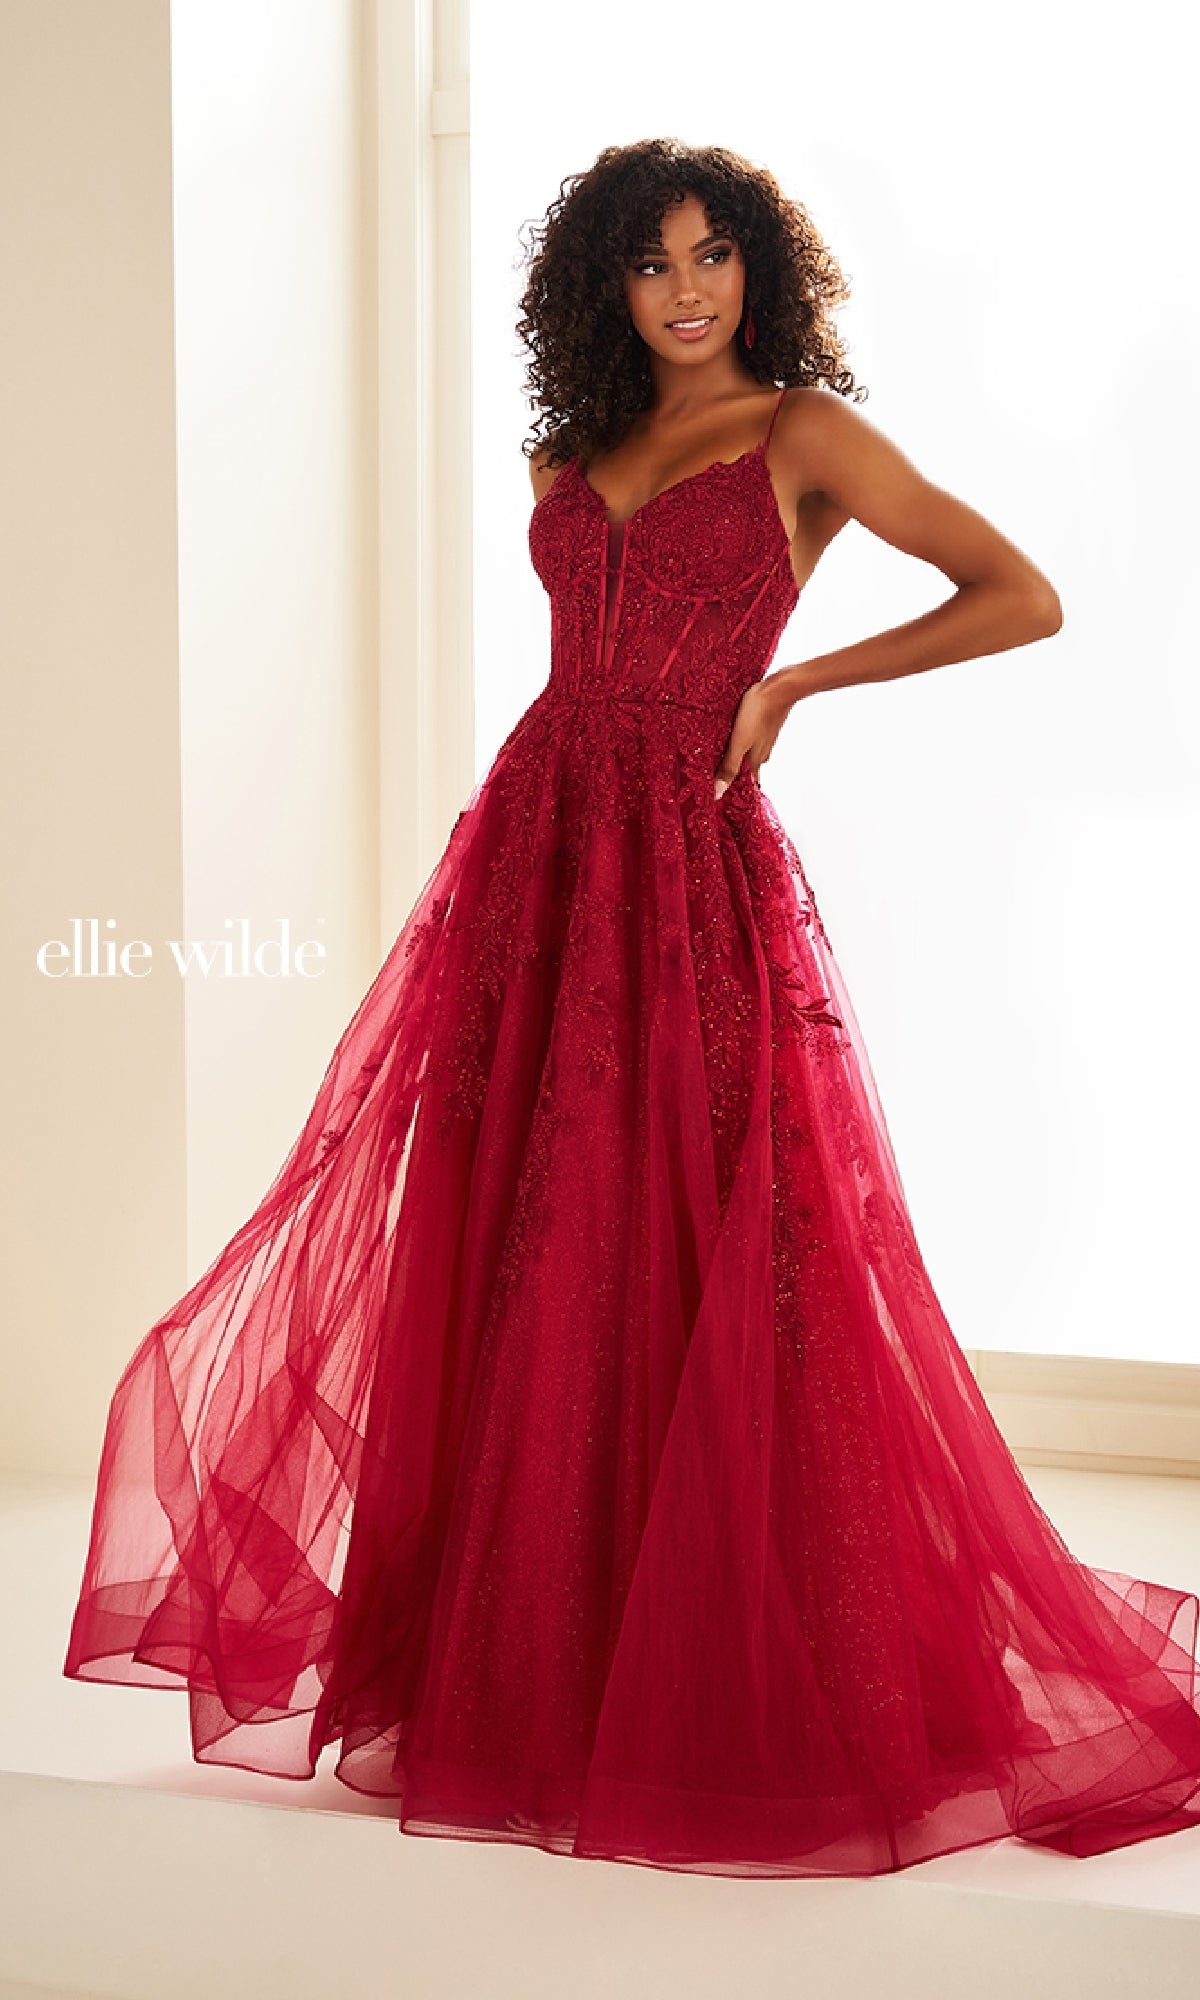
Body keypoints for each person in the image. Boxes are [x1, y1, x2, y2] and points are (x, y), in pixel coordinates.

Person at [63, 139, 1200, 1880]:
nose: (685, 291)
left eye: (712, 255)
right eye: (651, 262)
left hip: (684, 865)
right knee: (522, 1233)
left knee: (711, 1227)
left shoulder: (802, 436)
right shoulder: (566, 448)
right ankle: (539, 1670)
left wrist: (796, 682)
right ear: (604, 284)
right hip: (537, 857)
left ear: (759, 270)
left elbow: (1021, 596)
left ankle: (724, 1675)